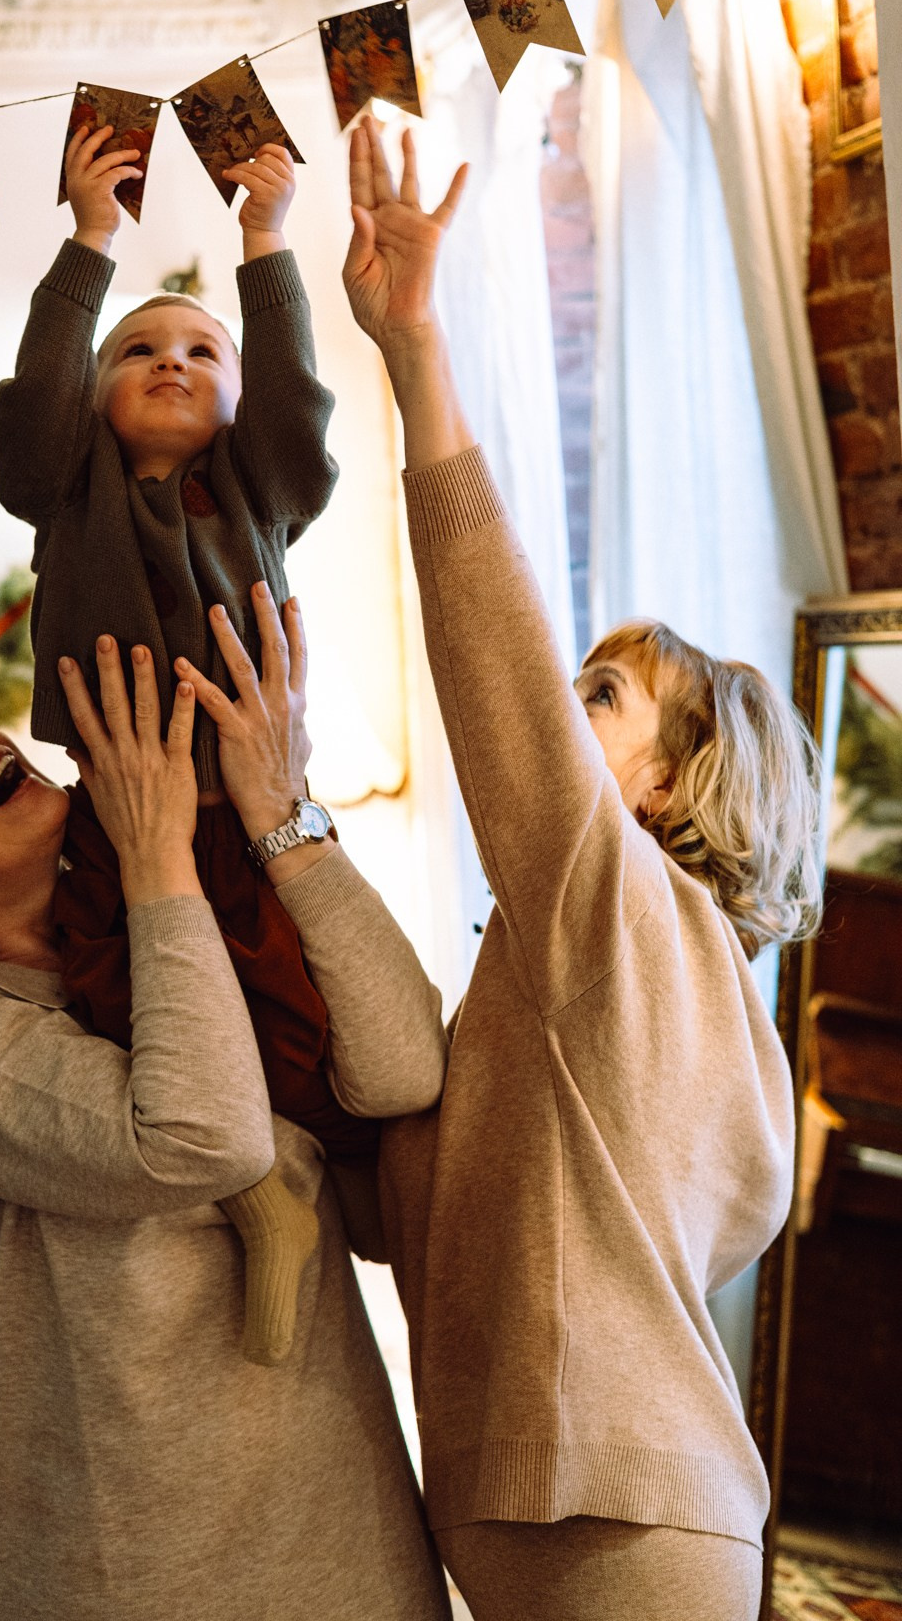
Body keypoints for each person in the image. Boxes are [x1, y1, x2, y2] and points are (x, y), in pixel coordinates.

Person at [341, 116, 818, 1621]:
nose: (561, 709)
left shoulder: (619, 913)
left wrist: (416, 350)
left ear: (666, 785)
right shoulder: (657, 986)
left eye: (601, 699)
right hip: (595, 1515)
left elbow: (490, 643)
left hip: (617, 1523)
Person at [0, 590, 451, 1621]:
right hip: (131, 1560)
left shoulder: (167, 911)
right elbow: (196, 1138)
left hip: (339, 1522)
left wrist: (279, 819)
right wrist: (157, 854)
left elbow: (404, 1072)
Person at [0, 122, 358, 1365]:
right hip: (113, 804)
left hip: (244, 807)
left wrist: (268, 244)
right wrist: (88, 241)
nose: (170, 362)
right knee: (116, 994)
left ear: (237, 403)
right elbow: (29, 415)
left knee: (283, 999)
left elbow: (300, 408)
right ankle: (245, 1191)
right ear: (93, 399)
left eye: (203, 352)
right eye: (137, 350)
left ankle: (296, 1177)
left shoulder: (258, 489)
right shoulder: (66, 486)